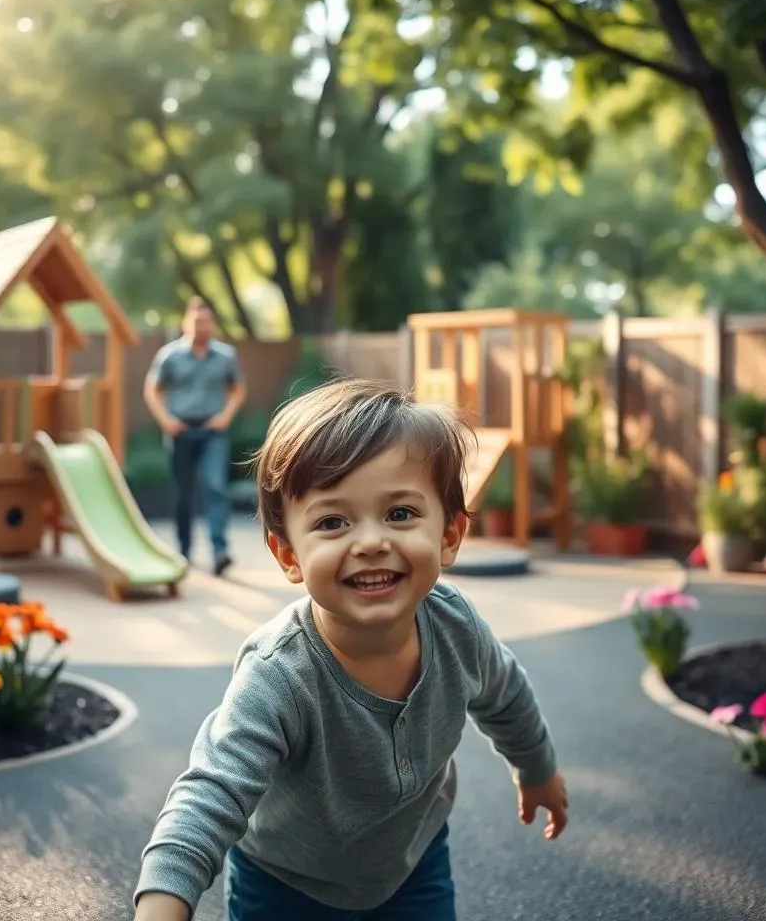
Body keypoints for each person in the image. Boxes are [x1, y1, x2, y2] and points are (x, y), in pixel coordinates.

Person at [132, 378, 568, 921]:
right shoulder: (279, 675)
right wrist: (163, 902)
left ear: (450, 535)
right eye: (333, 522)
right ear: (288, 554)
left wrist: (537, 768)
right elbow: (211, 793)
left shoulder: (454, 627)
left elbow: (505, 694)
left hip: (412, 864)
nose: (370, 542)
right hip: (287, 883)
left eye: (401, 514)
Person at [143, 296, 247, 575]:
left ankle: (220, 551)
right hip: (180, 430)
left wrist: (225, 416)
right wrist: (166, 420)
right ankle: (184, 551)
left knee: (215, 486)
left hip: (213, 431)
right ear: (186, 323)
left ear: (212, 324)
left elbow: (238, 389)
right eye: (197, 321)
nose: (202, 326)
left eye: (207, 321)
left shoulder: (226, 355)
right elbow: (152, 389)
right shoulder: (170, 355)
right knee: (183, 493)